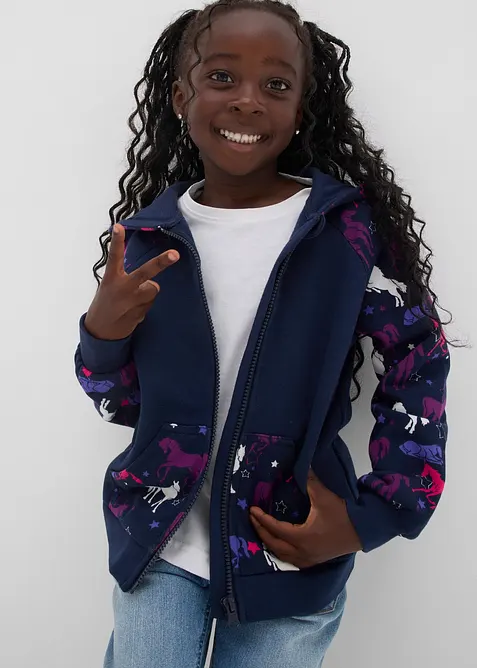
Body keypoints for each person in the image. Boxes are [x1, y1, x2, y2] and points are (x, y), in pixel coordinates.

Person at [74, 1, 451, 666]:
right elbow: (123, 406)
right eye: (221, 77)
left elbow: (416, 358)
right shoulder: (150, 240)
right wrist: (102, 337)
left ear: (302, 107)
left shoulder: (344, 234)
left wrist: (371, 515)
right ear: (180, 96)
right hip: (159, 539)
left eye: (276, 84)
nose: (248, 100)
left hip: (289, 546)